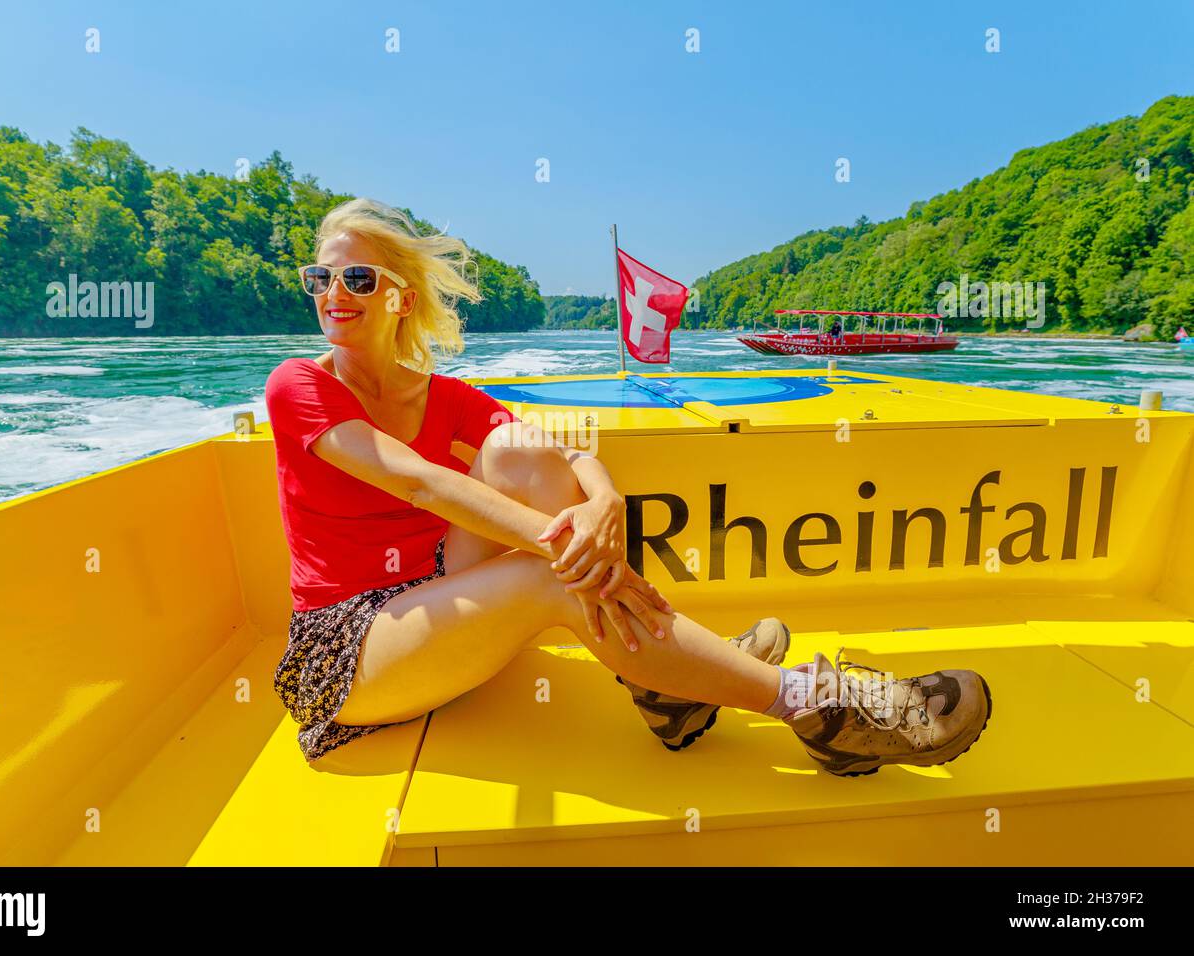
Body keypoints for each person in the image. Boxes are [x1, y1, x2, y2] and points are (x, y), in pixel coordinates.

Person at [264, 198, 993, 776]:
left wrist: (604, 498)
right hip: (350, 655)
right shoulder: (297, 384)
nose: (334, 293)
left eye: (358, 278)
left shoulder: (442, 394)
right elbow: (417, 481)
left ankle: (671, 688)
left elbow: (554, 453)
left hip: (436, 601)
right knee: (553, 577)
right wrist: (571, 547)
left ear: (400, 297)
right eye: (320, 278)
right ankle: (813, 707)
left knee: (517, 452)